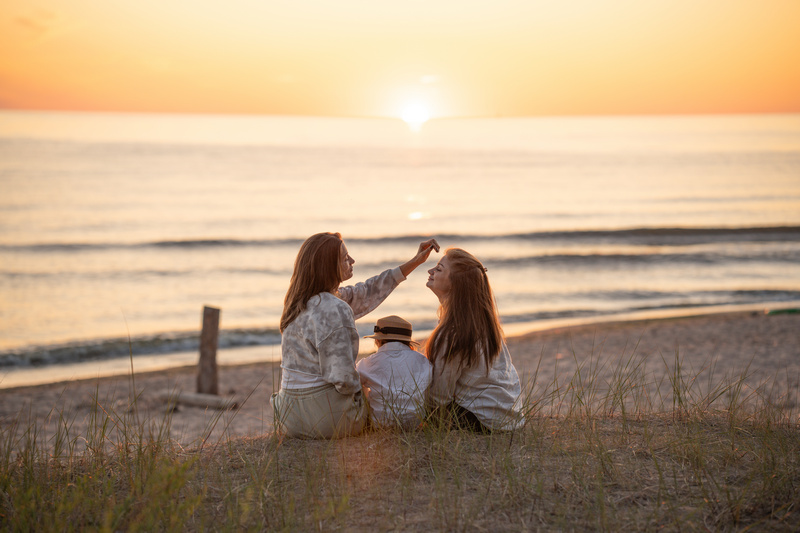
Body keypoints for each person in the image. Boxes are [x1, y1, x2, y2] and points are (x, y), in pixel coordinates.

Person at [272, 232, 439, 439]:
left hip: (289, 416)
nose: (352, 261)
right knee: (376, 393)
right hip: (325, 420)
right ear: (328, 267)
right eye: (345, 258)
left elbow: (368, 290)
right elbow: (343, 379)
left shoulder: (298, 304)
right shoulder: (335, 308)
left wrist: (415, 262)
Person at [424, 248, 523, 432]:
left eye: (438, 269)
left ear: (455, 283)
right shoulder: (482, 324)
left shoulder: (454, 331)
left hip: (481, 421)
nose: (430, 271)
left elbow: (439, 399)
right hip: (508, 417)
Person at [357, 315, 432, 431]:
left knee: (359, 385)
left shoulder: (368, 362)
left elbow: (350, 382)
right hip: (414, 423)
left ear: (377, 341)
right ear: (408, 341)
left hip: (380, 424)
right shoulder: (422, 361)